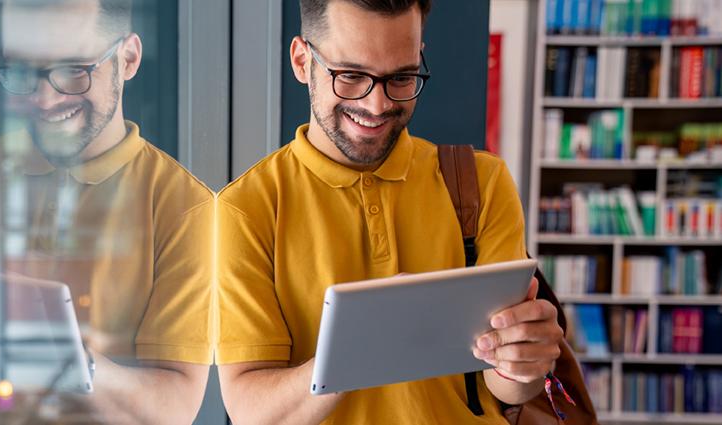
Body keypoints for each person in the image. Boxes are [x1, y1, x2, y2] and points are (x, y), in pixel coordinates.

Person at [215, 0, 563, 423]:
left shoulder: (481, 182)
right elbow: (253, 411)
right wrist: (358, 345)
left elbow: (506, 387)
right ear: (302, 61)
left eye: (400, 77)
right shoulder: (246, 209)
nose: (377, 105)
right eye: (351, 76)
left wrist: (525, 360)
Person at [0, 1, 212, 423]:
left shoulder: (185, 206)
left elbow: (176, 408)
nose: (44, 99)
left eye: (74, 69)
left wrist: (72, 360)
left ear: (128, 58)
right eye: (24, 71)